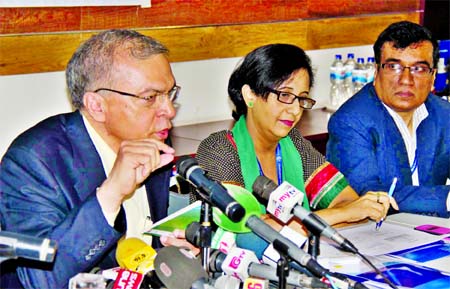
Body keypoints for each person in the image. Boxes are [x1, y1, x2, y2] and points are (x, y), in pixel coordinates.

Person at [0, 29, 195, 289]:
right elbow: (38, 280)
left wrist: (170, 250)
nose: (169, 110)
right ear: (96, 106)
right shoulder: (34, 161)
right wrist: (111, 194)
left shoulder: (153, 138)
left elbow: (146, 241)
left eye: (171, 94)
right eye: (150, 98)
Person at [196, 44, 397, 236]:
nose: (295, 110)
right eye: (284, 95)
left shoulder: (294, 145)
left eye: (301, 98)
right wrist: (340, 214)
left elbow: (347, 200)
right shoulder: (218, 150)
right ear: (250, 95)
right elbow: (247, 231)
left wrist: (348, 211)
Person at [326, 21, 450, 218]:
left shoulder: (444, 113)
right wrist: (445, 198)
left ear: (433, 76)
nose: (406, 80)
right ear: (376, 71)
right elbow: (367, 194)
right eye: (394, 67)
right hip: (380, 235)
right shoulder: (351, 121)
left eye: (418, 69)